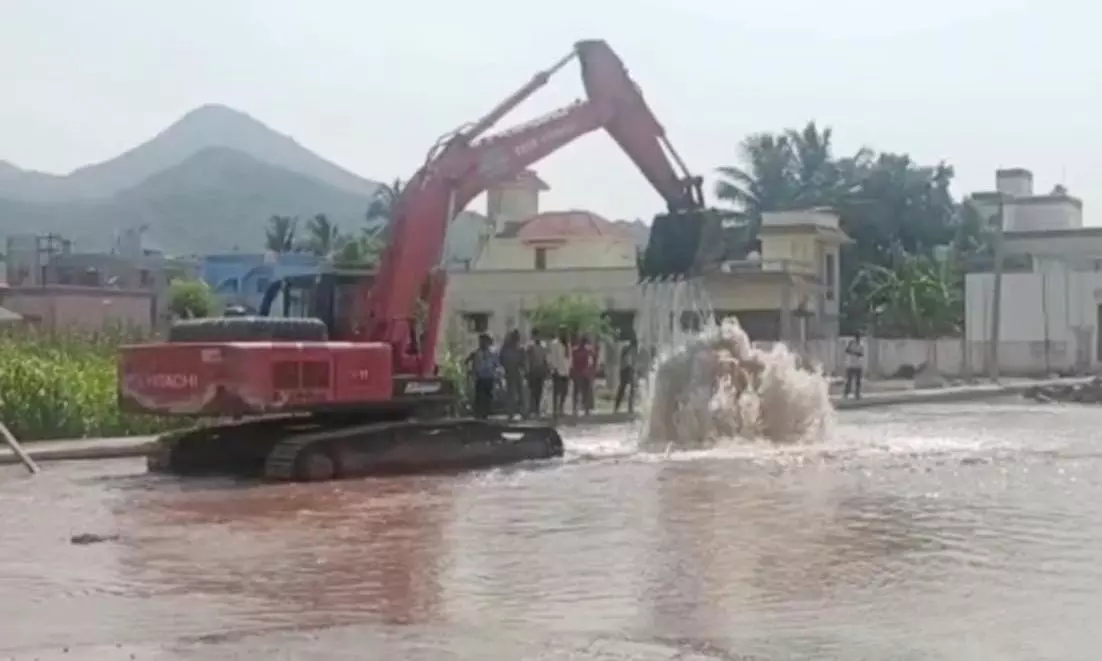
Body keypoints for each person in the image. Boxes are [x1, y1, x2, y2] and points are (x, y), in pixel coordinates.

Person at [465, 333, 499, 419]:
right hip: (480, 377)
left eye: (484, 341)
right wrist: (471, 370)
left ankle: (486, 413)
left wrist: (496, 372)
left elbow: (496, 363)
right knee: (479, 395)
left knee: (488, 395)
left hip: (489, 376)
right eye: (481, 341)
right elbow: (467, 361)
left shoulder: (492, 352)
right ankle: (478, 413)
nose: (482, 343)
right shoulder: (476, 353)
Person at [498, 329, 526, 420]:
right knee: (512, 393)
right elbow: (501, 360)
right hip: (511, 372)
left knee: (519, 392)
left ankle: (521, 412)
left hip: (516, 371)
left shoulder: (520, 349)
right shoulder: (506, 349)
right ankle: (512, 412)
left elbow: (523, 361)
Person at [525, 328, 550, 418]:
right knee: (533, 391)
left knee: (539, 391)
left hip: (540, 371)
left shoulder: (543, 346)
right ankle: (532, 409)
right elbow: (528, 360)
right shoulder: (530, 346)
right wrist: (527, 371)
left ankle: (537, 409)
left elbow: (545, 359)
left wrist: (546, 370)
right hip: (533, 371)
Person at [571, 335, 597, 416]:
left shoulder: (575, 351)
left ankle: (575, 408)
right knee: (586, 392)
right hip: (586, 374)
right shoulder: (588, 351)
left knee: (576, 391)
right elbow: (591, 363)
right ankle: (586, 409)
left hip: (577, 373)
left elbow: (572, 363)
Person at [548, 326, 571, 418]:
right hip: (557, 371)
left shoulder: (567, 344)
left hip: (566, 371)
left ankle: (561, 409)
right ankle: (555, 410)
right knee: (556, 392)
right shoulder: (554, 344)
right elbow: (552, 357)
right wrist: (554, 368)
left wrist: (569, 368)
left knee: (564, 391)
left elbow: (569, 358)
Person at [614, 336, 638, 414]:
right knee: (625, 388)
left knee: (628, 388)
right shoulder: (628, 349)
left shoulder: (627, 349)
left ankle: (628, 407)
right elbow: (627, 361)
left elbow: (631, 361)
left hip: (626, 369)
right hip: (626, 369)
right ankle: (622, 407)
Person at [843, 331, 866, 400]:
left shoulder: (861, 344)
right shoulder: (851, 343)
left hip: (858, 365)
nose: (858, 338)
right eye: (857, 336)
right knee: (849, 381)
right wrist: (854, 352)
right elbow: (846, 350)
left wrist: (854, 352)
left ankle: (857, 394)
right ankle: (846, 394)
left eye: (859, 336)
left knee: (858, 381)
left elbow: (861, 354)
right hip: (850, 364)